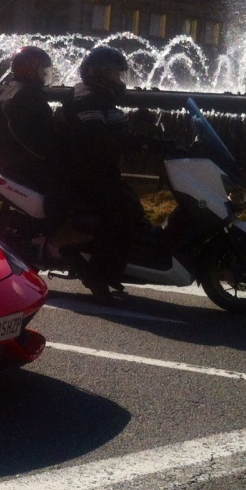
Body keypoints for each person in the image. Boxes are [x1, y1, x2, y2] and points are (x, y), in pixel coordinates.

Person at [55, 45, 148, 303]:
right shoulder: (86, 99)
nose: (119, 81)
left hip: (97, 171)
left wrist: (157, 142)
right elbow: (100, 137)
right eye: (115, 75)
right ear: (99, 74)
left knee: (134, 211)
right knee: (121, 216)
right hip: (83, 175)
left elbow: (120, 131)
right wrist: (132, 141)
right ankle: (96, 274)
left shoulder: (100, 98)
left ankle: (111, 266)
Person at [0, 46, 66, 223]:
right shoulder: (25, 96)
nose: (44, 75)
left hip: (10, 161)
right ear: (28, 69)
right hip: (22, 164)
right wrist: (56, 156)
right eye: (41, 70)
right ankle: (57, 234)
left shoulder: (15, 90)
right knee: (67, 191)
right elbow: (31, 139)